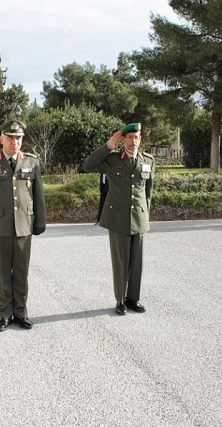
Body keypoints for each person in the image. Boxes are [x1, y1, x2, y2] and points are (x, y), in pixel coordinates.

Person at [0, 119, 46, 332]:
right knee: (3, 272)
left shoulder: (31, 162)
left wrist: (40, 220)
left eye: (19, 138)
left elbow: (38, 194)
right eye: (11, 138)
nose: (15, 142)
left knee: (22, 272)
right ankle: (4, 314)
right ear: (2, 139)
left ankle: (21, 312)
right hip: (0, 226)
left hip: (24, 225)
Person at [83, 123, 155, 315]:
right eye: (129, 137)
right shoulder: (112, 159)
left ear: (141, 139)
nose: (133, 141)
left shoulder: (148, 161)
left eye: (136, 137)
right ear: (122, 140)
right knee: (120, 261)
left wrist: (145, 214)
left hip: (139, 217)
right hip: (118, 217)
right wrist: (108, 146)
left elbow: (148, 192)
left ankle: (133, 299)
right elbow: (88, 164)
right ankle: (120, 300)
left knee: (137, 262)